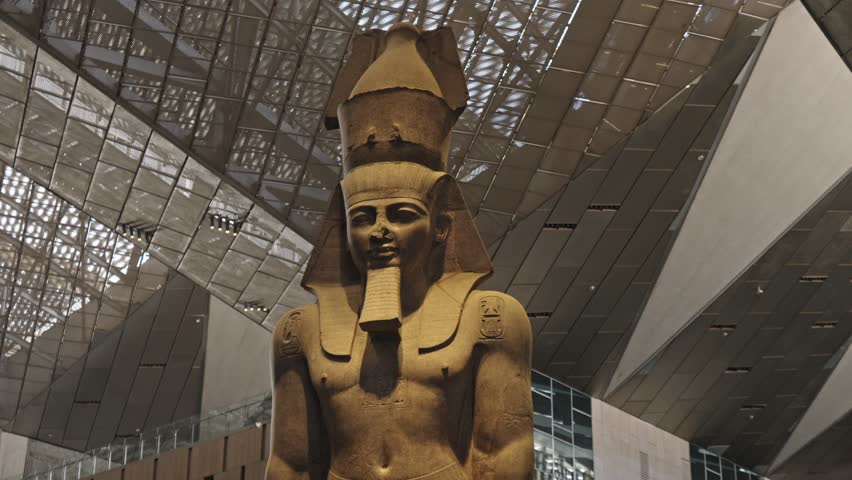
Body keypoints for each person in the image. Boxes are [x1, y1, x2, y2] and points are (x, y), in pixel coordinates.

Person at [266, 22, 533, 480]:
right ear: (342, 226)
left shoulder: (491, 319)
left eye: (402, 215)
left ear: (442, 226)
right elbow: (290, 462)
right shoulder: (299, 332)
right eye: (364, 218)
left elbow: (506, 451)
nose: (380, 232)